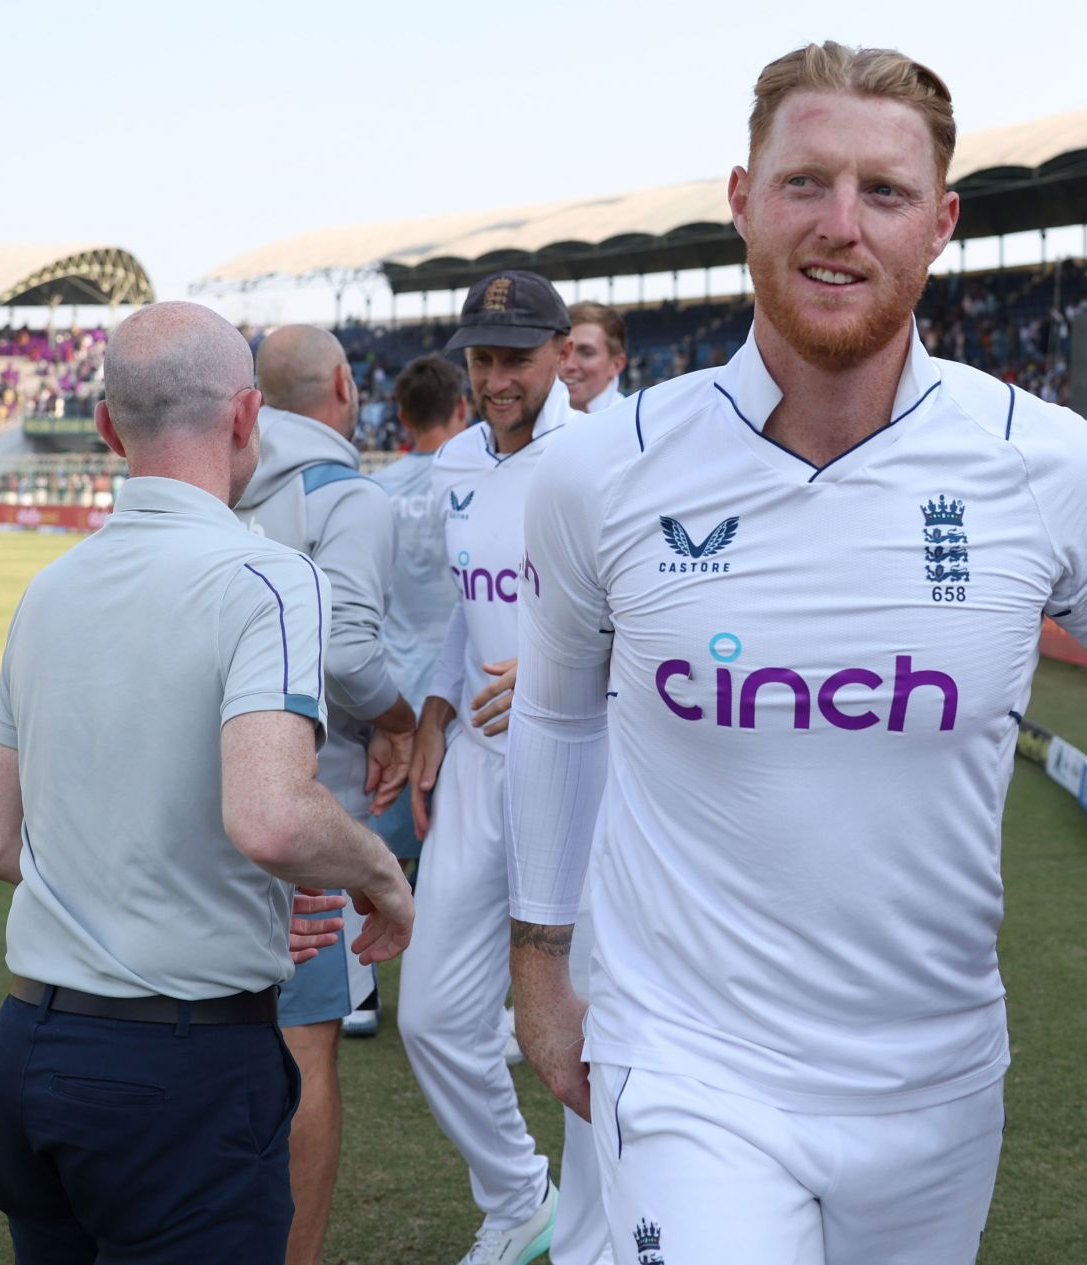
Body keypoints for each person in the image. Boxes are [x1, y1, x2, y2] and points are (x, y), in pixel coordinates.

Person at [505, 42, 1087, 1265]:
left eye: (884, 191)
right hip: (687, 1061)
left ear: (942, 223)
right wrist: (541, 956)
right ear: (742, 202)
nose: (840, 226)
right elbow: (554, 713)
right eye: (805, 182)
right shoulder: (602, 468)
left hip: (936, 1082)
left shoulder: (1048, 465)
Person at [0, 301, 413, 1264]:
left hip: (27, 1051)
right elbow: (268, 816)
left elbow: (0, 846)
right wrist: (378, 873)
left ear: (104, 426)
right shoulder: (267, 578)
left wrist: (241, 899)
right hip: (179, 1069)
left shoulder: (47, 588)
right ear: (248, 416)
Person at [382, 270, 606, 1265]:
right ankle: (522, 1197)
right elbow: (457, 615)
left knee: (592, 1017)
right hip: (475, 762)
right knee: (431, 1011)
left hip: (588, 764)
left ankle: (602, 1231)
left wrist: (563, 670)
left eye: (516, 357)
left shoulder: (607, 455)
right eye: (481, 358)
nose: (496, 377)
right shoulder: (456, 463)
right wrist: (434, 708)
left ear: (562, 352)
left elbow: (657, 619)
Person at [231, 322, 420, 1265]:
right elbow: (346, 649)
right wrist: (396, 718)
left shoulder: (205, 483)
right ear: (346, 386)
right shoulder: (348, 496)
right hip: (296, 809)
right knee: (303, 1045)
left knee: (207, 1044)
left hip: (190, 808)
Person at [357, 353, 470, 892]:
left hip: (396, 691)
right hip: (466, 691)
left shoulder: (375, 492)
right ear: (463, 408)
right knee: (460, 852)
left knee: (387, 862)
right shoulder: (476, 484)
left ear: (400, 417)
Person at [560, 302, 629, 414]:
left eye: (586, 353)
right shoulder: (532, 425)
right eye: (562, 352)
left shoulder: (635, 427)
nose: (569, 365)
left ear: (616, 364)